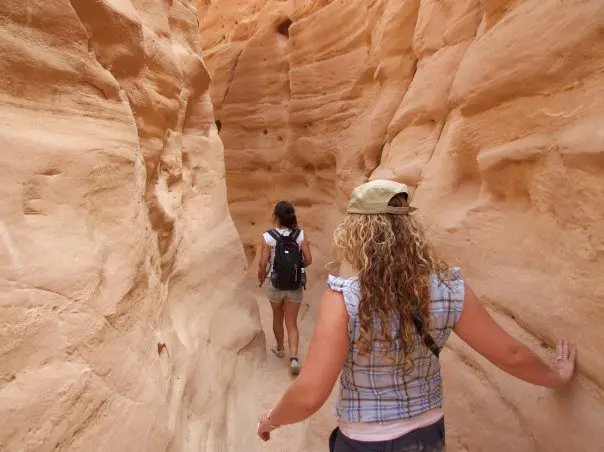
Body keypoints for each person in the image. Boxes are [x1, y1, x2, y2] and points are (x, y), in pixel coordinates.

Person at [256, 180, 577, 450]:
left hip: (364, 440)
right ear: (410, 228)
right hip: (426, 435)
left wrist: (272, 419)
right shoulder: (450, 288)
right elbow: (510, 353)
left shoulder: (345, 299)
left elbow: (311, 393)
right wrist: (556, 376)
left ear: (355, 232)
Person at [258, 200, 312, 376]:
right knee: (292, 322)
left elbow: (263, 262)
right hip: (294, 285)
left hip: (275, 284)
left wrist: (261, 275)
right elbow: (309, 259)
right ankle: (294, 358)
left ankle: (280, 348)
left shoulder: (268, 237)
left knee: (277, 317)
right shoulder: (300, 235)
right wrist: (295, 267)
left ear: (277, 217)